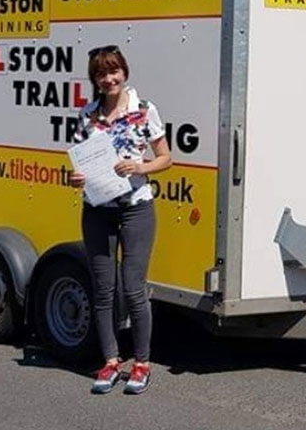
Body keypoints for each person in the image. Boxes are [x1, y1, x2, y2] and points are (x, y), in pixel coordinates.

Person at [69, 45, 172, 395]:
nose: (108, 78)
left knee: (133, 288)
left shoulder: (144, 110)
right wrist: (76, 177)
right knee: (102, 290)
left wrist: (140, 167)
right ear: (94, 80)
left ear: (124, 72)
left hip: (136, 207)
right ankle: (110, 361)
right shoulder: (87, 114)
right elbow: (80, 161)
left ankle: (141, 362)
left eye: (113, 71)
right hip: (97, 210)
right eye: (101, 74)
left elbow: (166, 158)